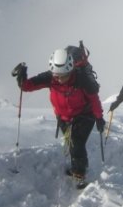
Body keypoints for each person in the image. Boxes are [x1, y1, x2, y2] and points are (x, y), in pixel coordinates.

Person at [12, 47, 105, 180]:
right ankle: (76, 166)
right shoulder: (50, 77)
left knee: (77, 143)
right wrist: (22, 77)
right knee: (72, 143)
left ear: (71, 70)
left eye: (64, 76)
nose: (60, 79)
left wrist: (99, 117)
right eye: (57, 76)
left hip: (85, 115)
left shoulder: (82, 79)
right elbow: (27, 86)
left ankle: (79, 172)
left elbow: (94, 99)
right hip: (64, 118)